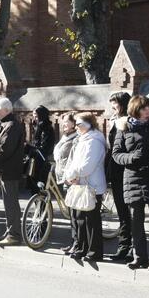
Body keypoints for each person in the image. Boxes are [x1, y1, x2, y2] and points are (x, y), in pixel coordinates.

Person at [112, 95, 149, 271]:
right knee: (136, 221)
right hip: (133, 178)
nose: (148, 112)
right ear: (135, 110)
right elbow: (116, 154)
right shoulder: (124, 128)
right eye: (144, 109)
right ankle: (140, 257)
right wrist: (131, 157)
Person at [63, 112, 107, 262]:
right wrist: (71, 175)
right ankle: (82, 248)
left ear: (88, 124)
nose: (76, 127)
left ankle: (94, 252)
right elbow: (75, 162)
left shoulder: (94, 141)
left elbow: (88, 166)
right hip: (81, 184)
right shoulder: (83, 139)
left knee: (91, 220)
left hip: (92, 186)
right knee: (80, 218)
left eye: (79, 124)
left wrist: (73, 174)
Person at [0, 98, 25, 247]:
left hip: (10, 170)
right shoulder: (4, 124)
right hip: (4, 169)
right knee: (8, 203)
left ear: (7, 110)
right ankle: (10, 231)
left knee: (11, 203)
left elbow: (5, 148)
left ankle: (14, 235)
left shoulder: (12, 125)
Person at [106, 91, 133, 262]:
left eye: (114, 104)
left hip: (125, 170)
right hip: (115, 170)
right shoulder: (114, 121)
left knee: (128, 212)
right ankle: (124, 246)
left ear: (122, 104)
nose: (112, 107)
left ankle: (129, 247)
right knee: (122, 212)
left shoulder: (128, 122)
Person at [53, 113, 79, 254]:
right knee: (71, 213)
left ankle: (76, 243)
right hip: (62, 176)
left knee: (73, 212)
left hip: (70, 178)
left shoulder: (75, 138)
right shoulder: (65, 137)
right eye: (63, 122)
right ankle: (74, 242)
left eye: (66, 122)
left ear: (74, 124)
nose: (64, 125)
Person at [28, 105, 55, 190]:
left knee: (40, 188)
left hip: (43, 162)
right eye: (33, 116)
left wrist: (30, 148)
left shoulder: (46, 128)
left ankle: (44, 203)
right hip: (35, 161)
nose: (34, 118)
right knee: (34, 188)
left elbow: (44, 147)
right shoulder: (38, 127)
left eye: (36, 116)